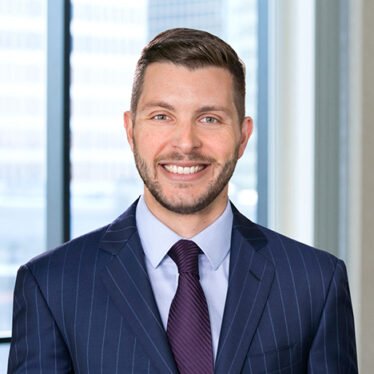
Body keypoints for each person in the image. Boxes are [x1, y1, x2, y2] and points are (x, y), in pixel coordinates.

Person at [8, 28, 357, 374]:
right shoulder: (52, 285)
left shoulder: (315, 283)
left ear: (243, 136)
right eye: (162, 116)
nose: (186, 143)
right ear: (131, 131)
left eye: (209, 119)